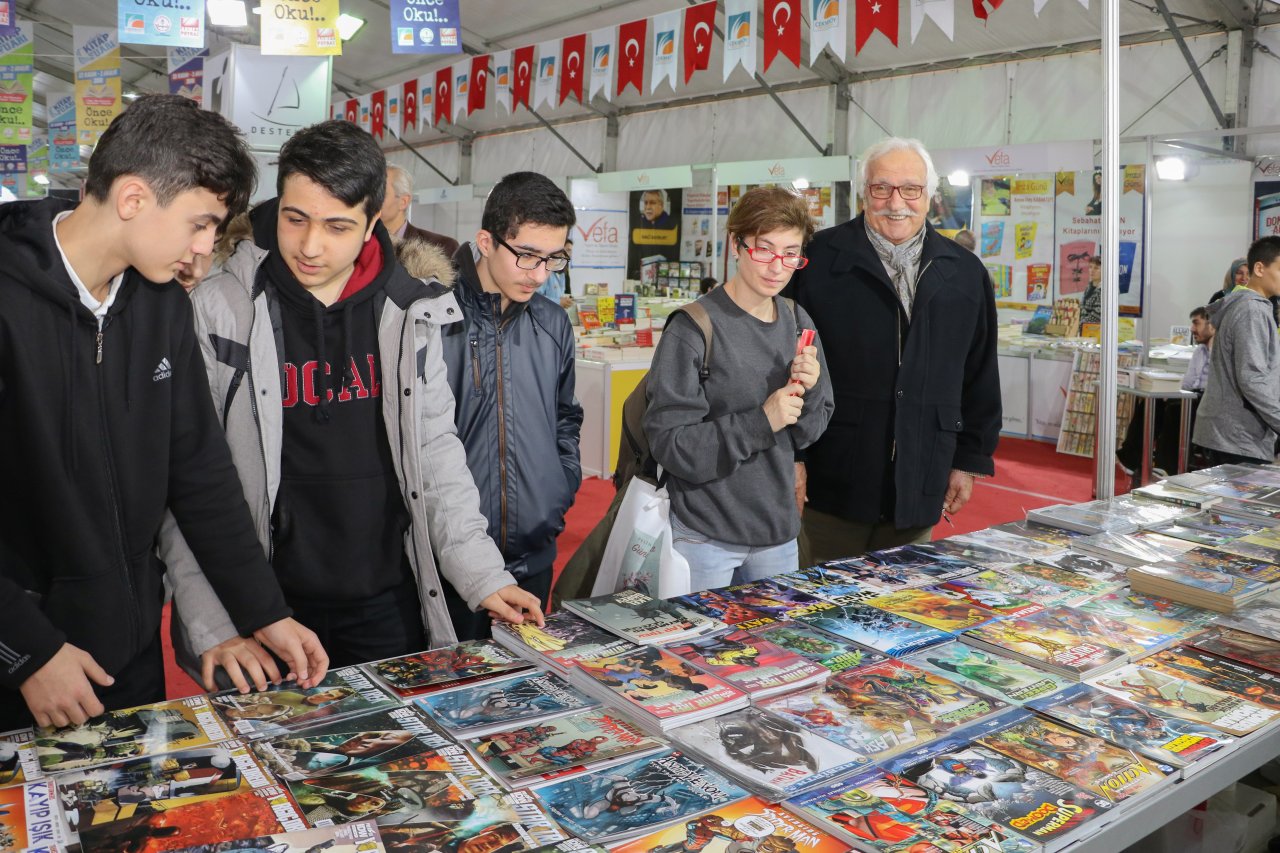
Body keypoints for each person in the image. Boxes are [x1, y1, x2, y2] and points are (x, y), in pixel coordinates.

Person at [163, 121, 543, 687]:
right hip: (264, 607)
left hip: (387, 602)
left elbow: (437, 453)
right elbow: (184, 479)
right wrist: (214, 621)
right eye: (296, 219)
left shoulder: (411, 313)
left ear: (374, 222)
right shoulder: (219, 310)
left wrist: (483, 574)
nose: (311, 246)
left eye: (338, 226)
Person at [0, 95, 327, 730]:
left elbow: (199, 470)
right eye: (199, 223)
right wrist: (26, 651)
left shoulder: (162, 304)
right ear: (132, 200)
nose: (204, 251)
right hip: (24, 664)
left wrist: (266, 612)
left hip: (129, 649)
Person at [787, 137, 1001, 564]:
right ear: (865, 192)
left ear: (930, 196)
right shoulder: (818, 261)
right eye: (881, 188)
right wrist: (791, 455)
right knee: (818, 611)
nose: (895, 202)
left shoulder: (965, 274)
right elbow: (781, 364)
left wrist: (968, 460)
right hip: (832, 481)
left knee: (901, 610)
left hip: (921, 479)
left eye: (911, 189)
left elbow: (979, 374)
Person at [645, 186, 833, 589]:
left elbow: (810, 431)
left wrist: (812, 390)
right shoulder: (694, 328)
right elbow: (671, 444)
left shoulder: (799, 321)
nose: (776, 267)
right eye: (764, 249)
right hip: (705, 532)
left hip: (778, 533)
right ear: (736, 243)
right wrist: (761, 421)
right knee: (699, 650)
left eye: (790, 253)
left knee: (775, 647)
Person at [439, 172, 583, 640]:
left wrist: (559, 489)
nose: (540, 275)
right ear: (486, 241)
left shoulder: (552, 322)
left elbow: (566, 417)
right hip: (449, 556)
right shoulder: (433, 316)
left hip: (533, 552)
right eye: (526, 255)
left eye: (553, 259)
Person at [1194, 236, 1280, 466]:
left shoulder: (1248, 306)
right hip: (1239, 434)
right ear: (1260, 268)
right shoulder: (1252, 310)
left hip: (1233, 432)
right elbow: (1252, 378)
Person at [1118, 306, 1215, 478]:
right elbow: (1187, 382)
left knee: (1176, 409)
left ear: (1211, 325)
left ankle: (1166, 466)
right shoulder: (1199, 351)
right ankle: (1130, 458)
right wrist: (1167, 391)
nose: (1192, 329)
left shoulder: (1221, 351)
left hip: (1208, 400)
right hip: (1193, 395)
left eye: (1196, 323)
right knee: (1151, 402)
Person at [379, 164, 460, 257]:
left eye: (380, 194)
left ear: (403, 202)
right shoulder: (360, 244)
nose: (370, 200)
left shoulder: (443, 248)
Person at [537, 235, 574, 309]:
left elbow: (562, 294)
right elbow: (535, 298)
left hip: (556, 314)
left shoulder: (563, 271)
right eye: (568, 250)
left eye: (570, 251)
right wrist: (558, 302)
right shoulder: (545, 269)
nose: (569, 254)